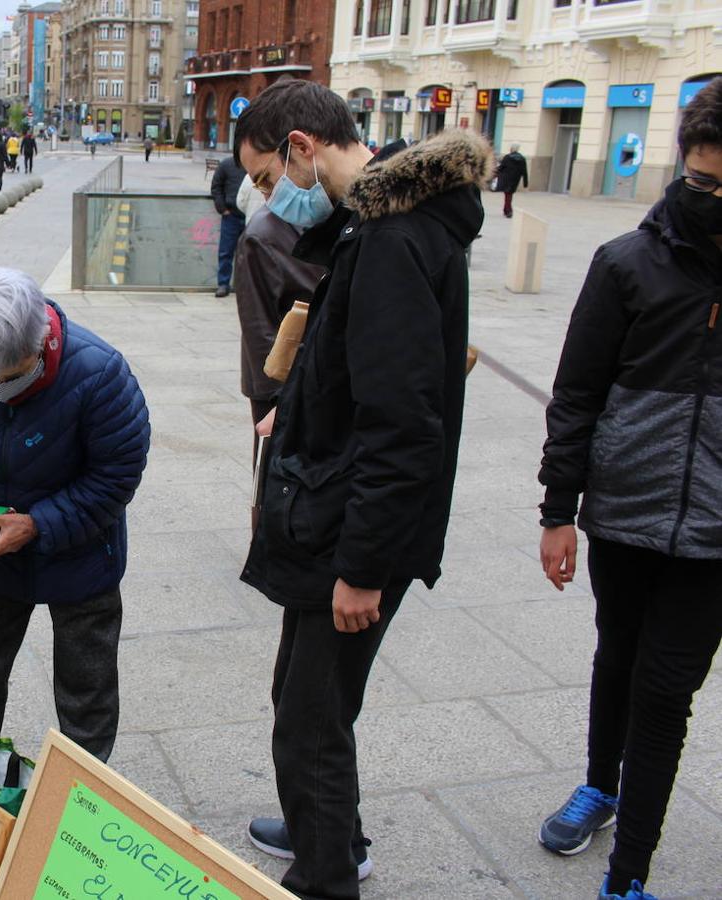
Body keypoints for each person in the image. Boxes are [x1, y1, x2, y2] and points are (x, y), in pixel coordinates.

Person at [237, 79, 489, 900]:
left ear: (303, 148)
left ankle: (328, 874)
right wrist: (298, 410)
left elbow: (403, 425)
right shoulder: (376, 227)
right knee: (305, 697)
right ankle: (329, 830)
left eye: (271, 179)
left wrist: (363, 568)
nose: (272, 199)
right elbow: (372, 375)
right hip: (332, 502)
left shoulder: (391, 239)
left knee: (309, 718)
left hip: (350, 526)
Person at [534, 76, 722, 900]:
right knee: (617, 656)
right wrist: (558, 512)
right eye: (705, 182)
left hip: (715, 535)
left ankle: (628, 875)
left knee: (665, 692)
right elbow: (576, 393)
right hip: (626, 515)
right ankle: (599, 786)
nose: (714, 199)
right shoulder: (624, 264)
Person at [0, 267, 150, 761]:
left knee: (86, 692)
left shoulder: (101, 372)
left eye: (16, 372)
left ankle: (80, 788)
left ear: (42, 338)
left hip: (82, 556)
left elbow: (116, 477)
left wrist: (39, 524)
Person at [230, 151, 324, 448]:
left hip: (314, 379)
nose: (268, 192)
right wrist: (279, 400)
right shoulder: (262, 234)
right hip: (280, 382)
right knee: (276, 475)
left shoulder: (323, 219)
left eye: (265, 180)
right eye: (261, 183)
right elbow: (259, 329)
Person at [210, 153, 246, 297]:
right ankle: (223, 284)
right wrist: (222, 209)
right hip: (230, 216)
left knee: (248, 254)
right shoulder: (226, 164)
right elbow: (216, 187)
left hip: (252, 216)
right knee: (226, 252)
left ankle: (244, 286)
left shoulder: (255, 164)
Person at [495, 143, 529, 219]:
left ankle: (509, 211)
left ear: (512, 149)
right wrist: (525, 183)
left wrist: (493, 173)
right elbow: (524, 171)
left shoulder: (507, 157)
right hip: (515, 179)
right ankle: (505, 209)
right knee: (509, 194)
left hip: (506, 179)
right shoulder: (522, 159)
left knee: (508, 194)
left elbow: (501, 167)